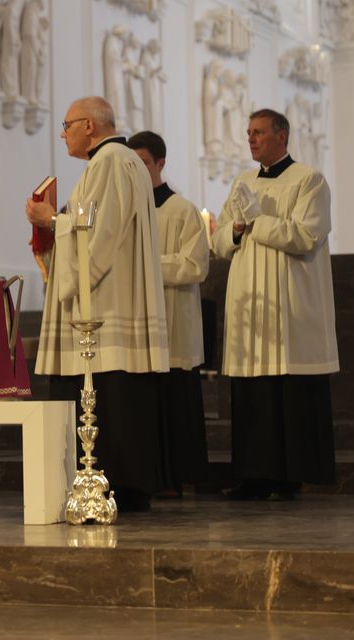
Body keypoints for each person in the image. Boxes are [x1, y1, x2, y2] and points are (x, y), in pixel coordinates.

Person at [26, 96, 168, 512]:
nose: (63, 134)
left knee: (110, 395)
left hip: (106, 304)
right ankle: (120, 485)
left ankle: (110, 486)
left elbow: (100, 234)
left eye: (67, 125)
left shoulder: (110, 162)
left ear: (89, 126)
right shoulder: (118, 162)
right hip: (112, 296)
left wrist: (51, 220)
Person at [211, 109, 337, 500]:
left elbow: (306, 237)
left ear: (282, 136)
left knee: (288, 390)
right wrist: (235, 229)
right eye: (249, 132)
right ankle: (254, 476)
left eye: (259, 132)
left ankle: (290, 476)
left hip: (289, 304)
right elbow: (218, 242)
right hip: (250, 302)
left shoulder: (309, 180)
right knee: (254, 394)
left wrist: (256, 219)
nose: (251, 139)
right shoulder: (242, 182)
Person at [127, 131, 210, 496]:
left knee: (174, 402)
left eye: (143, 163)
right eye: (132, 165)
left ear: (160, 163)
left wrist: (145, 265)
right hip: (135, 326)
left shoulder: (181, 211)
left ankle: (176, 477)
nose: (138, 171)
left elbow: (195, 265)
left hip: (175, 325)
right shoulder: (124, 212)